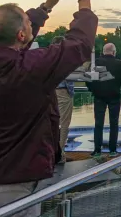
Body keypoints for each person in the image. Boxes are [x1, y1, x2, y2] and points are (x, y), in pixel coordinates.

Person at [0, 0, 97, 216]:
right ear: (21, 34)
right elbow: (78, 44)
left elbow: (12, 43)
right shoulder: (29, 69)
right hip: (13, 184)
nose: (31, 24)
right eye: (29, 23)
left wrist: (46, 7)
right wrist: (84, 1)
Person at [86, 43, 121, 158]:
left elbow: (88, 79)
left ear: (103, 52)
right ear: (114, 52)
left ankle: (97, 150)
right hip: (114, 96)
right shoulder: (119, 64)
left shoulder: (95, 63)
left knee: (98, 124)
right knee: (114, 123)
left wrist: (93, 89)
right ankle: (112, 150)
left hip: (99, 96)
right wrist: (115, 87)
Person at [52, 36, 76, 164]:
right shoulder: (63, 59)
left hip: (51, 92)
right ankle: (59, 155)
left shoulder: (48, 57)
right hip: (62, 92)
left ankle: (57, 153)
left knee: (53, 124)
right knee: (63, 124)